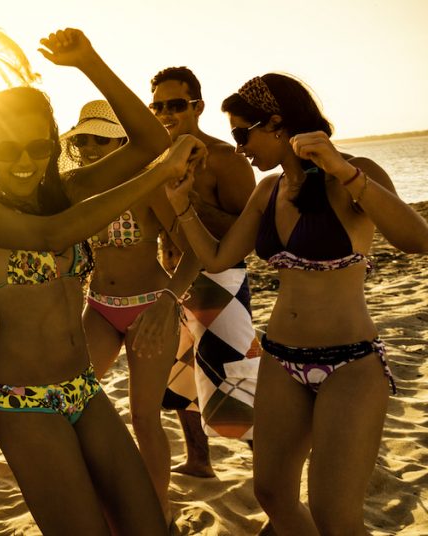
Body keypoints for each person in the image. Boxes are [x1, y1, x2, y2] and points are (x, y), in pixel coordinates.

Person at [0, 28, 204, 533]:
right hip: (25, 402)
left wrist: (89, 61)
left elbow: (152, 140)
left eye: (35, 146)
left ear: (52, 144)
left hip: (83, 389)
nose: (23, 162)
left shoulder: (70, 189)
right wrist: (159, 175)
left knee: (147, 525)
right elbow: (52, 237)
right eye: (7, 149)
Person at [165, 72, 428, 535]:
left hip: (350, 364)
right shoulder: (267, 191)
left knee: (336, 517)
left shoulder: (353, 172)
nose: (240, 146)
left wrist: (344, 172)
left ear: (278, 124)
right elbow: (218, 257)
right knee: (272, 493)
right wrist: (182, 205)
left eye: (243, 133)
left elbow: (417, 240)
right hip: (281, 360)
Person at [62, 98, 202, 520]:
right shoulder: (79, 190)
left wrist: (168, 300)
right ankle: (100, 503)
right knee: (73, 401)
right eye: (83, 139)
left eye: (100, 140)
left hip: (149, 308)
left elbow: (196, 252)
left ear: (122, 141)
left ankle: (158, 514)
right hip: (100, 306)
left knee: (144, 418)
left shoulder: (149, 186)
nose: (89, 148)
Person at [150, 66, 260, 478]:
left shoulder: (225, 158)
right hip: (171, 284)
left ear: (197, 105)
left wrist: (189, 197)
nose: (166, 112)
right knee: (180, 383)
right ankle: (199, 461)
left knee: (237, 387)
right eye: (158, 105)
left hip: (220, 285)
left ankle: (271, 477)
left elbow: (246, 232)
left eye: (176, 104)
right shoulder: (156, 160)